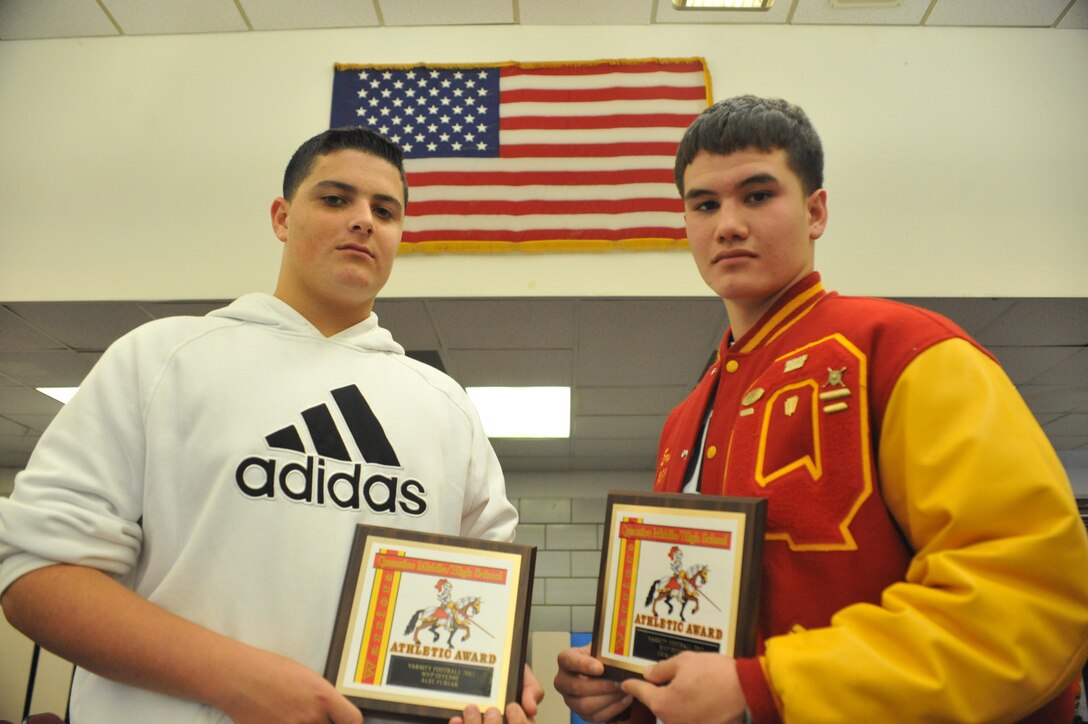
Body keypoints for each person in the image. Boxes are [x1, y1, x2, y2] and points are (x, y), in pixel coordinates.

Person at [554, 95, 1088, 723]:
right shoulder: (686, 419)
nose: (727, 224)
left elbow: (1029, 605)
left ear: (815, 211)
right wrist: (628, 685)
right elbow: (708, 654)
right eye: (704, 204)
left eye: (757, 195)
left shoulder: (905, 350)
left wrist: (769, 689)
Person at [0, 126, 542, 724]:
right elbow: (37, 574)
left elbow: (486, 597)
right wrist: (234, 679)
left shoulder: (446, 406)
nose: (363, 220)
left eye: (384, 211)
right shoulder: (161, 359)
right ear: (283, 218)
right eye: (336, 200)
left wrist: (499, 672)